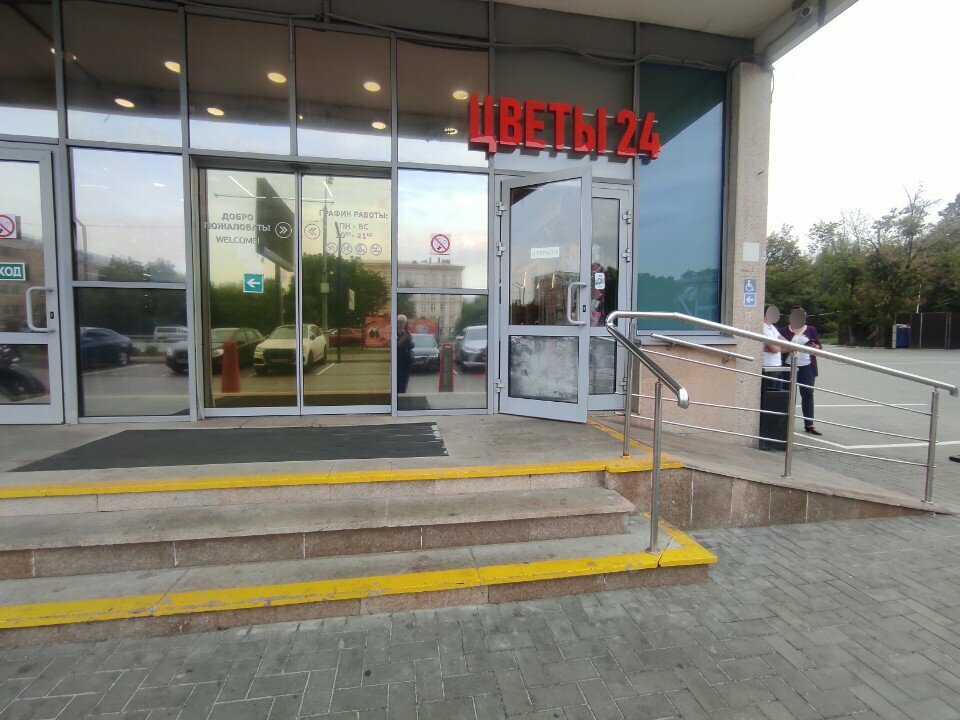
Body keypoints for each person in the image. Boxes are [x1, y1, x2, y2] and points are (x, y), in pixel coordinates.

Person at [780, 305, 822, 435]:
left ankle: (809, 424)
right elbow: (779, 349)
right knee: (787, 395)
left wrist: (815, 346)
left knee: (808, 394)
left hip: (807, 366)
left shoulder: (811, 329)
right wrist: (792, 347)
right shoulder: (783, 330)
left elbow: (819, 346)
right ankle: (785, 423)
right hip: (789, 365)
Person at [396, 314, 413, 394]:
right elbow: (396, 346)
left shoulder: (407, 334)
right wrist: (404, 338)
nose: (402, 324)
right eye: (400, 322)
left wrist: (410, 339)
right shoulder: (394, 333)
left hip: (406, 361)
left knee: (405, 381)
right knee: (398, 381)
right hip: (397, 361)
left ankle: (403, 394)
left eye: (403, 323)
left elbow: (411, 346)